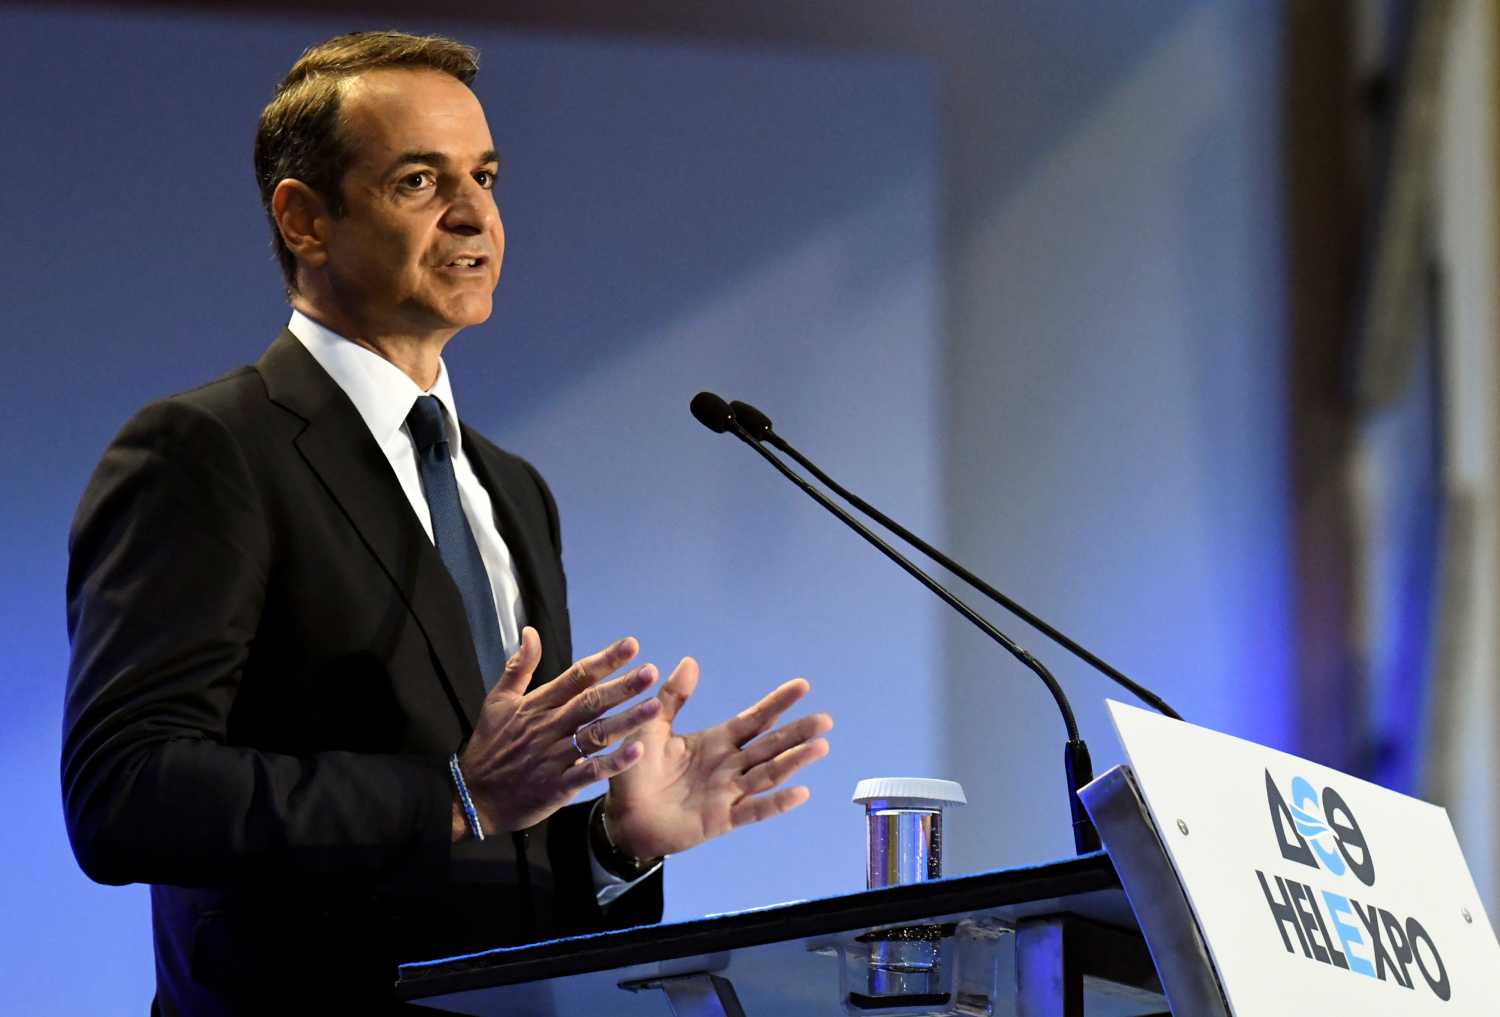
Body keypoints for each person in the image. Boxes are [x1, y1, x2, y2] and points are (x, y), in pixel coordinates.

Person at [61, 30, 833, 1015]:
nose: (476, 214)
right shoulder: (207, 452)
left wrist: (614, 846)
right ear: (303, 220)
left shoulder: (510, 489)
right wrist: (451, 798)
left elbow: (504, 824)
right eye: (421, 182)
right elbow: (124, 794)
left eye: (487, 175)